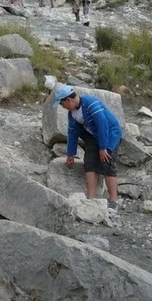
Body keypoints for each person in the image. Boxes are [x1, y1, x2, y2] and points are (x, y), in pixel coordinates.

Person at [53, 85, 122, 213]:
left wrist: (103, 147)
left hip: (110, 134)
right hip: (92, 136)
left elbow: (103, 125)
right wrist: (70, 154)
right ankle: (91, 200)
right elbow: (72, 133)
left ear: (68, 100)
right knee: (89, 163)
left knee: (107, 163)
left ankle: (113, 201)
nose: (63, 107)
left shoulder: (91, 104)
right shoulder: (72, 113)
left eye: (62, 104)